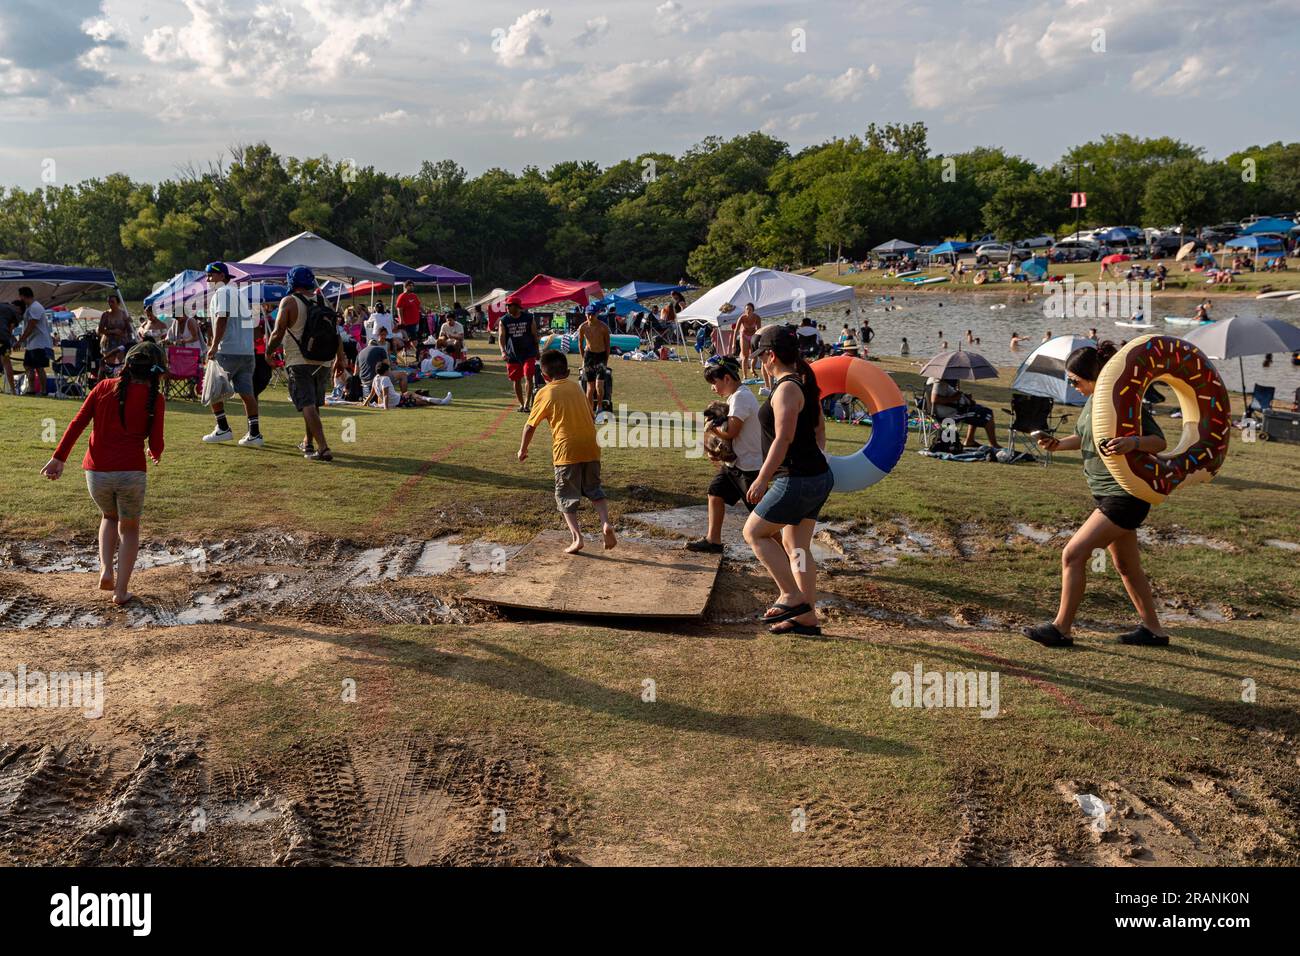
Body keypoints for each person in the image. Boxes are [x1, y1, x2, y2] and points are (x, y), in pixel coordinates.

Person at [1026, 342, 1170, 648]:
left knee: (1073, 554)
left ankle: (1061, 629)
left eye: (1076, 381)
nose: (1072, 386)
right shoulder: (1092, 402)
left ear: (1094, 376)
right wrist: (1057, 444)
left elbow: (1159, 442)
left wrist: (1133, 443)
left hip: (1126, 495)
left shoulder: (1124, 401)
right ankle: (1154, 631)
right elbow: (1084, 437)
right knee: (1127, 567)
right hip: (1105, 494)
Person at [41, 342, 167, 606]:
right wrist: (154, 451)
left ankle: (106, 570)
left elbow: (77, 423)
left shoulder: (102, 387)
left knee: (108, 516)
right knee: (129, 527)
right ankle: (120, 592)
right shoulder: (156, 398)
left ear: (127, 365)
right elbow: (156, 443)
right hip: (132, 472)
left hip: (96, 473)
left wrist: (58, 458)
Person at [743, 325, 833, 637]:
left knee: (754, 532)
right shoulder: (805, 382)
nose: (759, 362)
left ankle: (791, 596)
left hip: (796, 478)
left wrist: (761, 479)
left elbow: (783, 439)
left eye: (760, 356)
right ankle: (807, 617)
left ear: (770, 355)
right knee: (796, 547)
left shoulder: (787, 389)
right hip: (816, 476)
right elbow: (819, 429)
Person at [517, 350, 615, 554]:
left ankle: (577, 538)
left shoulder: (544, 392)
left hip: (566, 449)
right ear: (568, 371)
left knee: (565, 495)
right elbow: (589, 414)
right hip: (591, 445)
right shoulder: (578, 388)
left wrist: (522, 449)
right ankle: (605, 523)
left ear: (544, 376)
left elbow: (530, 426)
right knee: (594, 489)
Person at [266, 266, 348, 461]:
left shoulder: (289, 301)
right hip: (324, 360)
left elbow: (278, 332)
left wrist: (268, 352)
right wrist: (340, 358)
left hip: (299, 360)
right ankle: (308, 443)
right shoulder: (323, 300)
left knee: (307, 404)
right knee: (313, 404)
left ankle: (324, 448)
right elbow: (336, 334)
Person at [686, 358, 763, 553]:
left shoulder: (740, 397)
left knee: (762, 516)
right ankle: (714, 540)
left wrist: (711, 428)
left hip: (749, 466)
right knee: (715, 492)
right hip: (736, 463)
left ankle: (786, 552)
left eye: (715, 382)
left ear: (727, 378)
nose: (713, 388)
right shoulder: (736, 396)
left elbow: (732, 432)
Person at [201, 261, 263, 447]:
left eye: (211, 275)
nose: (208, 279)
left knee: (212, 389)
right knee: (247, 394)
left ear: (221, 276)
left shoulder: (222, 292)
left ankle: (223, 428)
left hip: (227, 350)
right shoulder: (240, 294)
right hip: (246, 352)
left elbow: (222, 317)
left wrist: (213, 346)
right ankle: (255, 434)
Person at [928, 377, 999, 447]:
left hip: (944, 411)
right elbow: (935, 399)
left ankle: (970, 440)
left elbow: (945, 395)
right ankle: (993, 444)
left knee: (977, 409)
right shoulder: (939, 381)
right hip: (949, 414)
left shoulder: (933, 379)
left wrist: (963, 397)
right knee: (987, 413)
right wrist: (956, 398)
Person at [500, 296, 540, 412]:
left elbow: (534, 335)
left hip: (528, 353)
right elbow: (501, 337)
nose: (507, 307)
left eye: (509, 305)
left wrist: (537, 350)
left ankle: (527, 404)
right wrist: (503, 351)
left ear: (517, 307)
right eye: (507, 305)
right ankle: (521, 404)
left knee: (528, 376)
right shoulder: (504, 320)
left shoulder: (529, 318)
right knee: (516, 379)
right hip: (512, 354)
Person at [14, 287, 52, 396]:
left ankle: (43, 391)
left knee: (39, 368)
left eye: (20, 296)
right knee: (28, 366)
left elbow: (31, 326)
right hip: (32, 343)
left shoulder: (36, 307)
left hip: (40, 343)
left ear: (22, 295)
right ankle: (31, 389)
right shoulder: (29, 308)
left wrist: (20, 341)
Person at [369, 361, 452, 409]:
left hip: (398, 399)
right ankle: (442, 402)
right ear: (386, 371)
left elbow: (372, 393)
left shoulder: (376, 378)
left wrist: (365, 403)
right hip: (398, 402)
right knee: (421, 402)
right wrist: (386, 408)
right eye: (389, 370)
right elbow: (386, 395)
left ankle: (437, 400)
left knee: (410, 393)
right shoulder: (385, 379)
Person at [578, 303, 611, 413]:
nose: (590, 317)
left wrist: (606, 359)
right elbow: (580, 343)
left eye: (592, 314)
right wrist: (584, 359)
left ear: (597, 314)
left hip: (600, 356)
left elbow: (607, 345)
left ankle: (600, 406)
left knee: (599, 385)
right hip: (589, 356)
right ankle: (589, 409)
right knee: (590, 387)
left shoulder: (603, 327)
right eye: (588, 315)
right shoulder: (583, 327)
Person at [97, 294, 134, 371]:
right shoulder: (105, 314)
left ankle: (118, 379)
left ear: (118, 303)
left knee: (120, 364)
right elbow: (100, 330)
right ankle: (109, 378)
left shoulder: (124, 314)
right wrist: (113, 331)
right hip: (108, 342)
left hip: (122, 341)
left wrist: (130, 322)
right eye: (109, 302)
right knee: (109, 365)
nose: (110, 304)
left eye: (112, 302)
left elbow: (130, 330)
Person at [395, 281, 422, 357]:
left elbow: (419, 305)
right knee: (413, 340)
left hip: (416, 322)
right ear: (406, 286)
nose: (412, 287)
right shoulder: (402, 296)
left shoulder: (414, 296)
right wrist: (401, 320)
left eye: (412, 285)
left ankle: (410, 354)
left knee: (414, 339)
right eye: (410, 285)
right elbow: (399, 309)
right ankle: (415, 355)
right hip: (407, 323)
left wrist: (425, 312)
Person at [737, 303, 762, 376]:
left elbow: (759, 330)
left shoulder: (757, 317)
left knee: (755, 355)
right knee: (745, 357)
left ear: (753, 310)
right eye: (747, 309)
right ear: (745, 310)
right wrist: (733, 344)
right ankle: (745, 376)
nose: (748, 311)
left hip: (753, 336)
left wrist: (759, 340)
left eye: (750, 309)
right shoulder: (742, 318)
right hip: (744, 336)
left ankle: (752, 369)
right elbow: (736, 330)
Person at [0, 298, 19, 394]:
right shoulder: (12, 310)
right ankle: (13, 390)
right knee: (7, 363)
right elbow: (11, 326)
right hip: (4, 338)